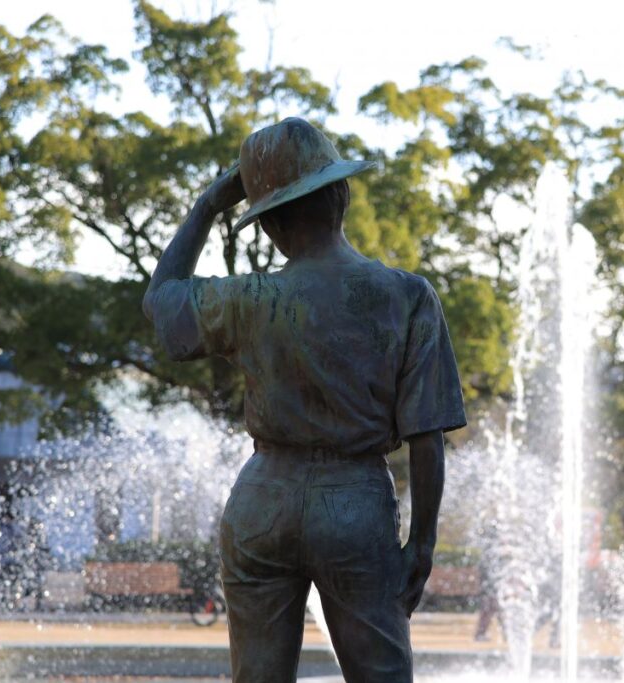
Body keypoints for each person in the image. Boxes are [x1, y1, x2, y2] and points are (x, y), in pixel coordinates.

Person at [143, 117, 467, 682]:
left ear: (267, 225)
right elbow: (426, 437)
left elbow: (162, 301)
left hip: (261, 500)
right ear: (341, 195)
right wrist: (422, 540)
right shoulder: (407, 296)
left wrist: (207, 205)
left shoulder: (248, 298)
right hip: (356, 502)